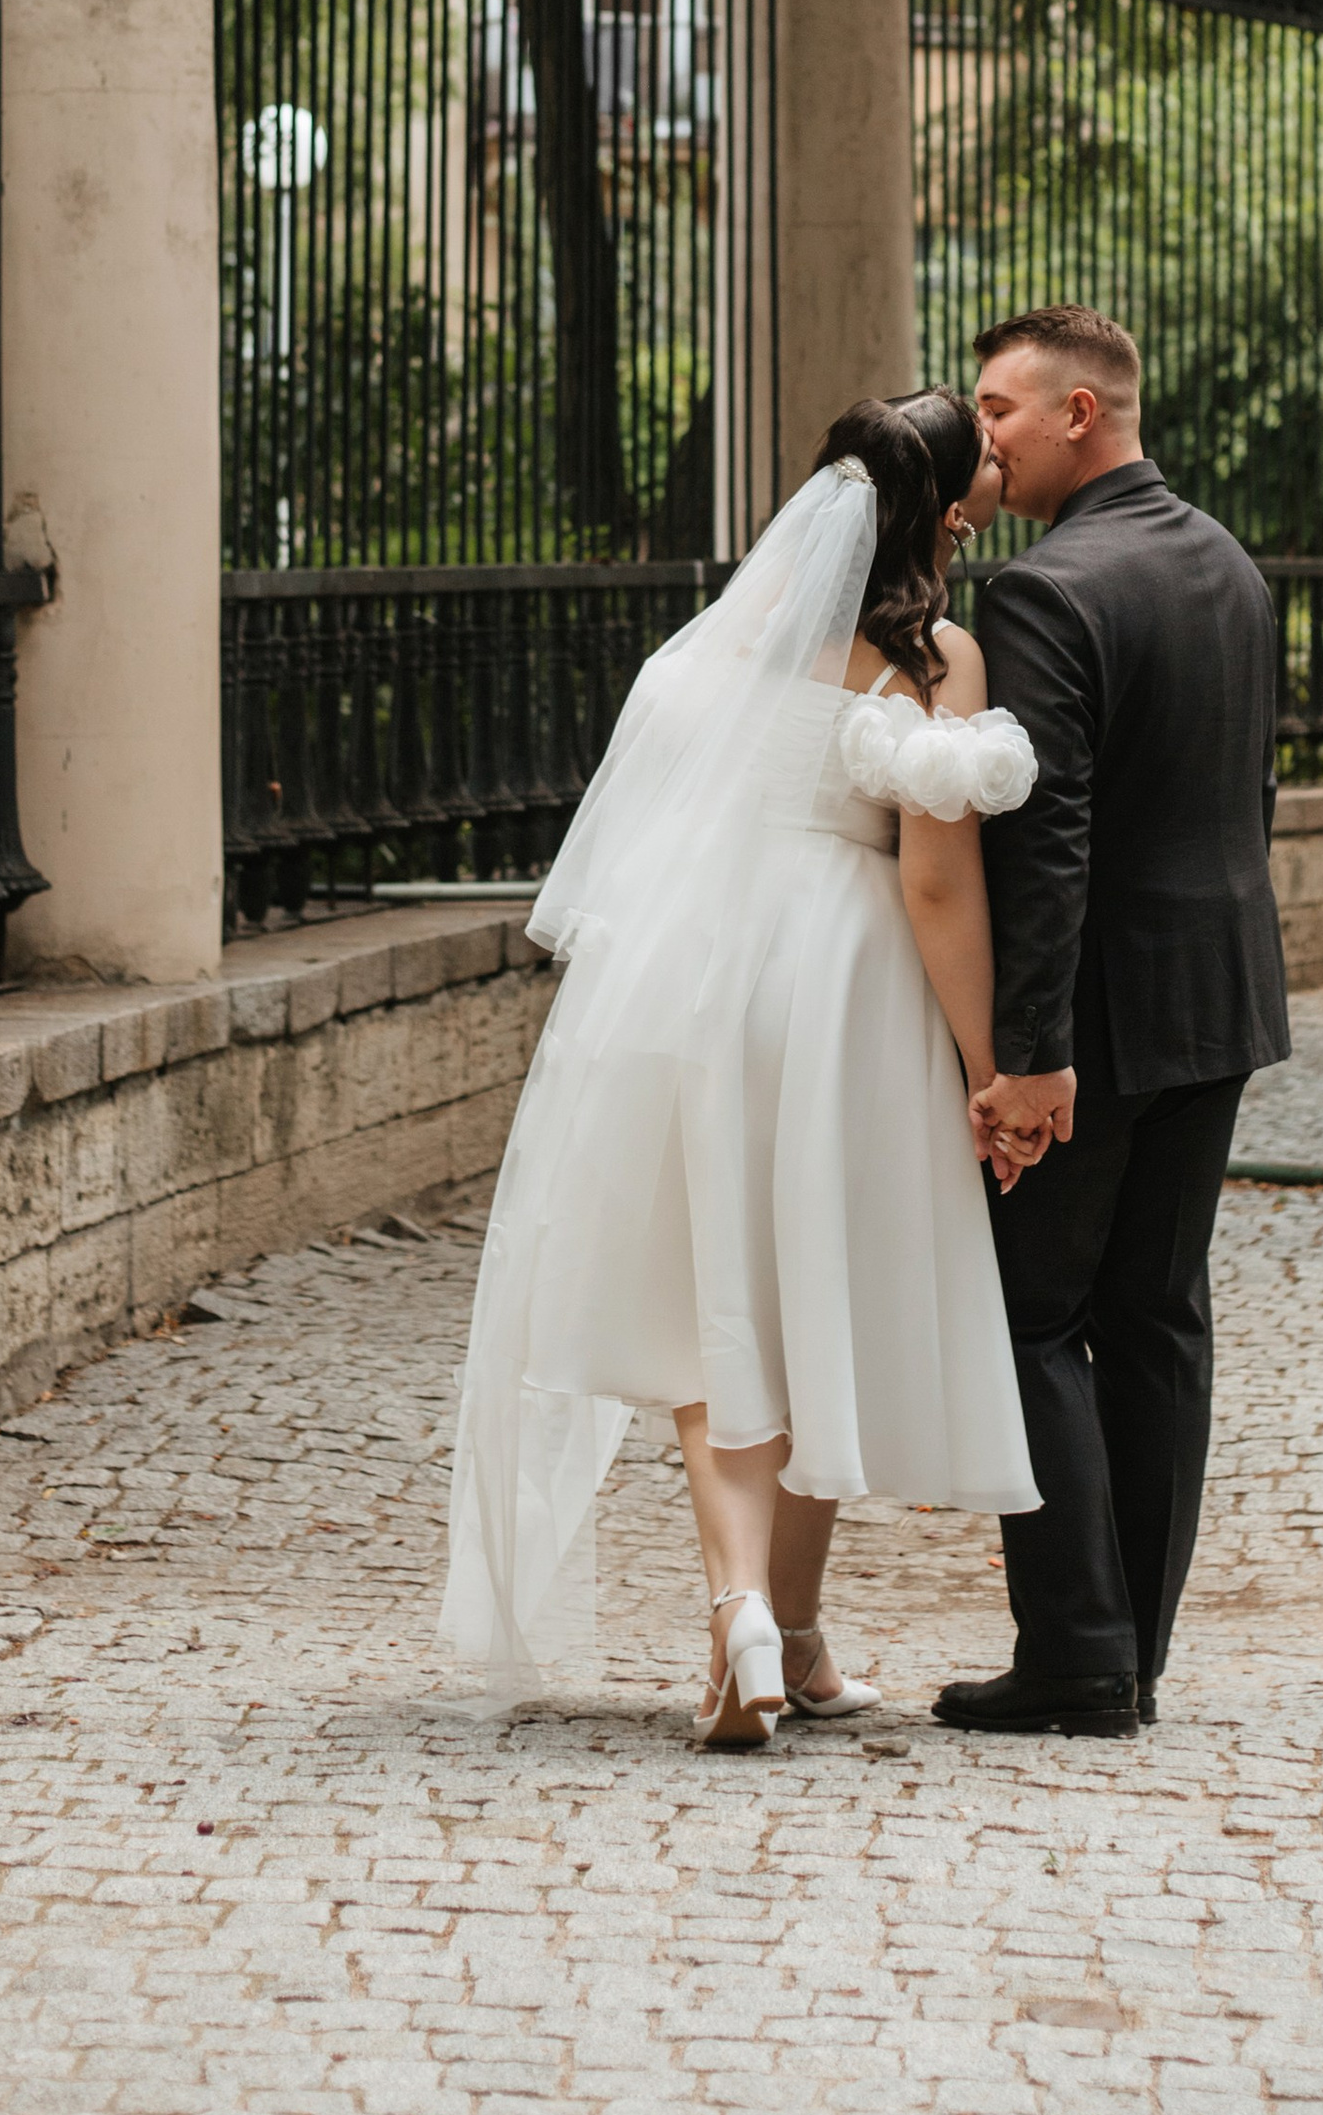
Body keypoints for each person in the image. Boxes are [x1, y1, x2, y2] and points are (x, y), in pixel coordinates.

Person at [440, 387, 1049, 1743]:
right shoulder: (935, 657)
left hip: (689, 977)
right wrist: (989, 1064)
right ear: (945, 513)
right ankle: (790, 1623)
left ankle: (757, 1622)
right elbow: (940, 889)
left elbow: (638, 838)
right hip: (841, 984)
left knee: (717, 1303)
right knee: (810, 1291)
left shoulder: (714, 649)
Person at [936, 303, 1288, 1741]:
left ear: (1082, 412)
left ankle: (1079, 1649)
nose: (983, 435)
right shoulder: (1231, 564)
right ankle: (1135, 1641)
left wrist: (1031, 1057)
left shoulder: (1046, 591)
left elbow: (1051, 842)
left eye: (1000, 408)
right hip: (1221, 997)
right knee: (1157, 1313)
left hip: (1096, 1019)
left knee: (1028, 1314)